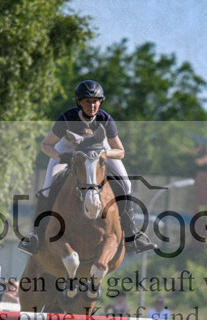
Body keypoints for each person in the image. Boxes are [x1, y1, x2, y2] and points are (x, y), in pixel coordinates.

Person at [18, 80, 157, 256]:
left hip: (100, 150)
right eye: (88, 101)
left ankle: (131, 235)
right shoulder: (67, 118)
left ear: (101, 102)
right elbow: (46, 145)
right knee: (48, 186)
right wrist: (61, 157)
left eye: (96, 101)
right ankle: (36, 236)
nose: (92, 105)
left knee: (127, 185)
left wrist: (103, 154)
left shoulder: (105, 119)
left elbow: (120, 151)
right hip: (68, 150)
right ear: (79, 102)